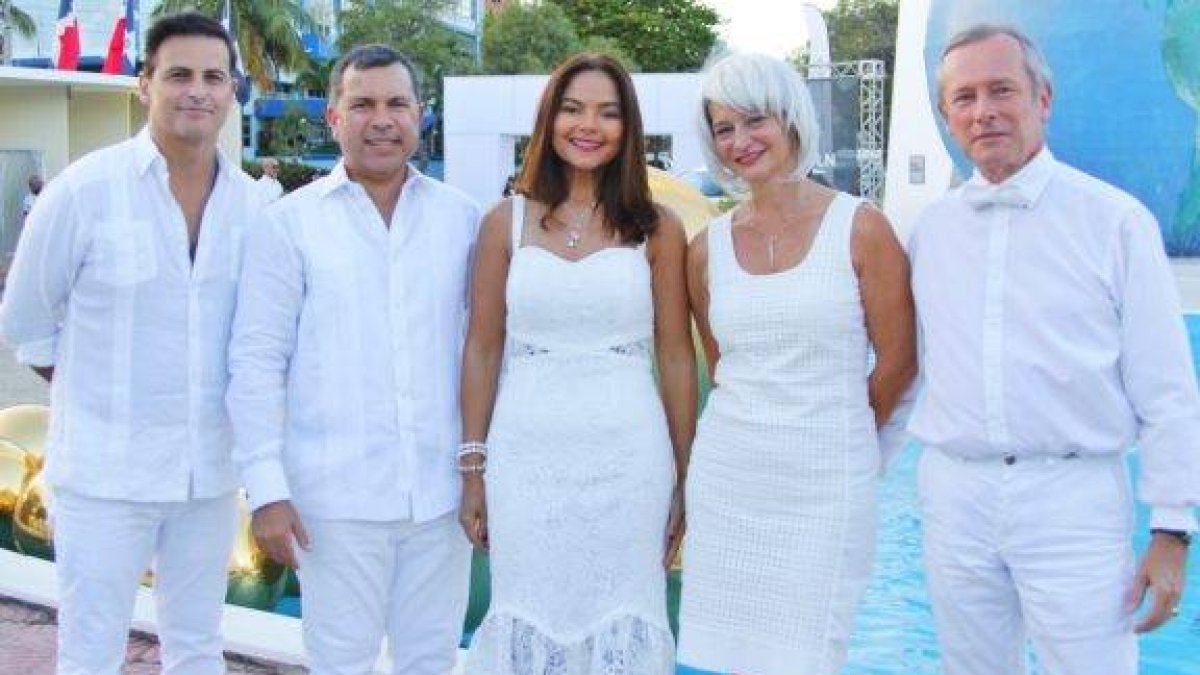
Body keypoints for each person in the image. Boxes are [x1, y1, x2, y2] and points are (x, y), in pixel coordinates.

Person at [909, 25, 1200, 675]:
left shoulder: (1116, 222)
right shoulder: (929, 233)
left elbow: (1168, 387)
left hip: (1072, 495)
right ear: (948, 117)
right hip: (957, 495)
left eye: (1001, 90)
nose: (983, 111)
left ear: (1044, 99)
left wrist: (1172, 529)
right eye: (964, 97)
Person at [0, 12, 263, 675]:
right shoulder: (84, 192)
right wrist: (96, 389)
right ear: (145, 83)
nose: (196, 90)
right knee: (90, 650)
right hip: (104, 477)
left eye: (213, 76)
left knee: (198, 646)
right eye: (178, 74)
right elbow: (25, 318)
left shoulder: (256, 207)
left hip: (208, 475)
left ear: (232, 91)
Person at [227, 44, 480, 675]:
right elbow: (256, 362)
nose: (382, 118)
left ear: (420, 115)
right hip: (332, 505)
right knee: (340, 664)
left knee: (431, 662)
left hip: (440, 500)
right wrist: (266, 491)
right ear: (335, 119)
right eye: (362, 103)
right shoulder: (289, 225)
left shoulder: (464, 222)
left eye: (397, 103)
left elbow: (485, 352)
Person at [677, 52, 917, 675]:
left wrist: (841, 436)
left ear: (789, 117)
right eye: (724, 129)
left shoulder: (861, 229)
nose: (741, 141)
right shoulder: (706, 250)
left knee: (808, 656)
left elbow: (899, 360)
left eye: (754, 120)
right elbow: (724, 367)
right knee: (717, 657)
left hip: (825, 487)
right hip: (729, 483)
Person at [458, 53, 696, 673]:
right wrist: (474, 467)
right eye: (572, 108)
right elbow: (483, 348)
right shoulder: (501, 223)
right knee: (526, 614)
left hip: (630, 464)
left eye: (608, 113)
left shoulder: (658, 228)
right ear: (549, 119)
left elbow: (674, 354)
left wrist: (684, 474)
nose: (588, 125)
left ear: (629, 128)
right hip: (526, 461)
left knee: (625, 617)